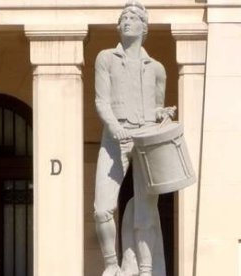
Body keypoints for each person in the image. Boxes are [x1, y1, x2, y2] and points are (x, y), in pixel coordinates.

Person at [94, 1, 173, 275]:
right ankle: (110, 265)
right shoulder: (105, 58)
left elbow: (155, 106)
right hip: (114, 138)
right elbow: (101, 101)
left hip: (145, 139)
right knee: (102, 209)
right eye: (123, 18)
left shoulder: (157, 69)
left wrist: (162, 113)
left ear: (144, 26)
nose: (126, 21)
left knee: (145, 213)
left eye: (132, 17)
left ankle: (147, 270)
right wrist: (115, 127)